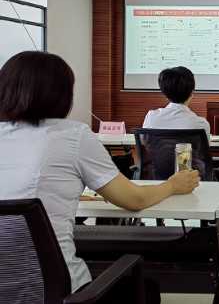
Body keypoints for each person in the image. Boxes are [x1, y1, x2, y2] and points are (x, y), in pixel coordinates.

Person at [0, 51, 200, 304]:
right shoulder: (72, 135)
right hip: (57, 293)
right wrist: (172, 185)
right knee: (146, 289)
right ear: (62, 93)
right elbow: (134, 200)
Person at [143, 66, 210, 176]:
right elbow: (201, 153)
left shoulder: (151, 117)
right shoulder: (200, 123)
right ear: (191, 93)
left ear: (165, 94)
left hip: (159, 178)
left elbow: (148, 146)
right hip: (193, 178)